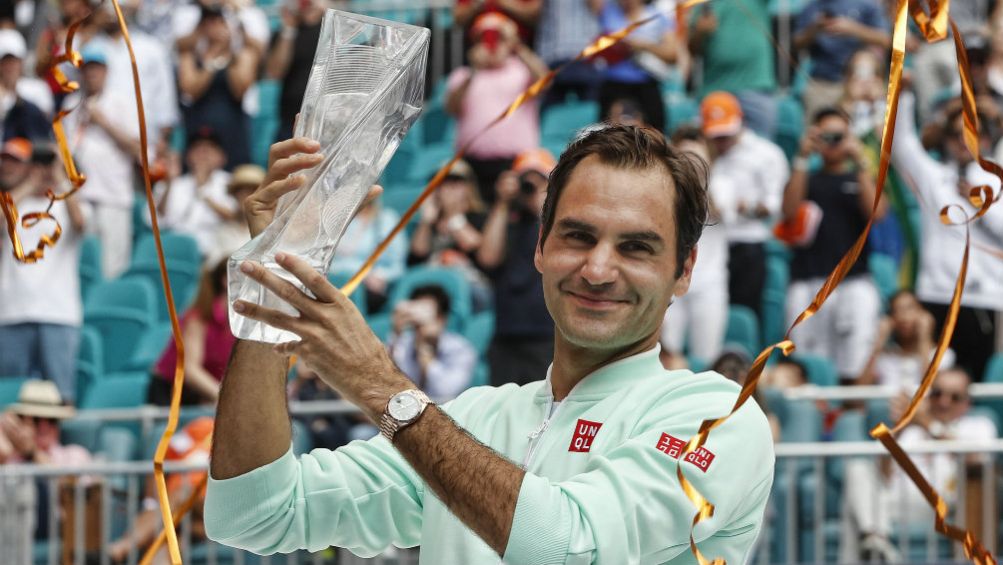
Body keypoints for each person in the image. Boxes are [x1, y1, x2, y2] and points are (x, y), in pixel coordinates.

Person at [203, 126, 775, 563]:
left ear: (683, 270)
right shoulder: (474, 418)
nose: (599, 270)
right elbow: (253, 512)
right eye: (578, 236)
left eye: (637, 248)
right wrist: (272, 279)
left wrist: (383, 388)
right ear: (541, 248)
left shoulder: (719, 417)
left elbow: (567, 548)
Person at [891, 91, 1003, 381]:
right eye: (955, 134)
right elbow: (900, 143)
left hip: (985, 299)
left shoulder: (997, 180)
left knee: (976, 383)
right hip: (936, 295)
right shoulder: (935, 177)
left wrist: (982, 206)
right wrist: (904, 93)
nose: (963, 140)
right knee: (935, 381)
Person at [839, 368, 998, 562]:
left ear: (967, 403)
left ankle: (874, 544)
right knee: (857, 468)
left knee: (855, 512)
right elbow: (883, 474)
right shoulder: (911, 429)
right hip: (892, 502)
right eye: (937, 393)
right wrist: (900, 427)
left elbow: (976, 459)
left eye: (954, 397)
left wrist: (929, 425)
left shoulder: (978, 425)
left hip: (938, 503)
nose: (943, 402)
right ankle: (876, 540)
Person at [780, 107, 885, 383]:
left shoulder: (857, 179)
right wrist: (802, 157)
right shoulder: (806, 179)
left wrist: (859, 160)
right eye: (825, 136)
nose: (832, 142)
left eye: (838, 136)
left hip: (853, 280)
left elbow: (879, 213)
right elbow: (789, 211)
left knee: (854, 361)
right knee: (808, 365)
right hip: (808, 279)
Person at [0, 143, 87, 403]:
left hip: (57, 313)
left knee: (61, 396)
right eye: (37, 163)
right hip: (12, 312)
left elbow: (80, 222)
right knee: (8, 398)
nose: (43, 169)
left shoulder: (65, 204)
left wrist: (61, 174)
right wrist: (30, 181)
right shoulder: (17, 203)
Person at [701, 91, 789, 319]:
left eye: (725, 135)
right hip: (712, 243)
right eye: (716, 136)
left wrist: (747, 207)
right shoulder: (704, 154)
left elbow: (774, 206)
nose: (722, 141)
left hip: (747, 243)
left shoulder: (766, 154)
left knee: (744, 313)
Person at [445, 12, 549, 195]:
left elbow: (545, 80)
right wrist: (474, 70)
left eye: (499, 38)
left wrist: (517, 45)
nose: (492, 45)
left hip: (515, 163)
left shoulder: (522, 70)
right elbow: (451, 108)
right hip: (473, 165)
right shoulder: (463, 75)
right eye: (484, 38)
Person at [477, 148, 556, 386]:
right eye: (525, 181)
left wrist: (543, 203)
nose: (530, 188)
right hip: (506, 336)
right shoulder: (507, 221)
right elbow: (487, 258)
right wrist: (502, 203)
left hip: (546, 336)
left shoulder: (557, 224)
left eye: (539, 181)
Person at [61, 45, 140, 279]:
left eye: (96, 68)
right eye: (87, 69)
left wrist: (103, 122)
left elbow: (137, 148)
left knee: (113, 268)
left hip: (113, 195)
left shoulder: (122, 102)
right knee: (80, 266)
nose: (91, 74)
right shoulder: (71, 104)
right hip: (81, 197)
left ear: (106, 71)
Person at [660, 127, 735, 365]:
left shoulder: (723, 183)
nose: (692, 164)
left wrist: (704, 175)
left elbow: (718, 211)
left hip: (711, 284)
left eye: (698, 159)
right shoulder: (666, 189)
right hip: (672, 279)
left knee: (708, 357)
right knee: (666, 354)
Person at [0, 380, 90, 565]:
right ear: (21, 420)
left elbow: (72, 495)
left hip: (49, 526)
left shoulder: (74, 454)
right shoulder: (7, 455)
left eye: (51, 420)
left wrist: (33, 453)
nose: (43, 426)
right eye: (35, 419)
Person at [106, 417, 215, 564]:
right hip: (181, 518)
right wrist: (150, 504)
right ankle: (126, 546)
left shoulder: (239, 439)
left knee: (184, 492)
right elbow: (159, 462)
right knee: (165, 544)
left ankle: (121, 547)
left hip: (208, 510)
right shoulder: (203, 426)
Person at [177, 2, 260, 170]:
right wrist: (212, 57)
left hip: (233, 128)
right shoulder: (189, 56)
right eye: (208, 23)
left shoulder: (243, 55)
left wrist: (227, 51)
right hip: (198, 126)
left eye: (219, 22)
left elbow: (240, 90)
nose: (213, 28)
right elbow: (191, 90)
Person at [148, 260, 235, 406]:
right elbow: (191, 370)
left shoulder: (245, 323)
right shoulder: (198, 318)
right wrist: (228, 400)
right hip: (171, 395)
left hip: (206, 395)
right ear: (226, 281)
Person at [686, 0, 778, 137]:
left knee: (761, 148)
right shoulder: (702, 5)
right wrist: (700, 32)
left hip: (755, 86)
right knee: (710, 152)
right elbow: (692, 51)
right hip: (715, 88)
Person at [408, 159, 489, 311]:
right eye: (442, 182)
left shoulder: (479, 216)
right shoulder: (431, 220)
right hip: (432, 286)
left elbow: (474, 246)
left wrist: (452, 215)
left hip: (471, 287)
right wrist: (425, 221)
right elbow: (417, 254)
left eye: (456, 181)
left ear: (469, 187)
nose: (449, 187)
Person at [794, 0, 891, 122]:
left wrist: (853, 28)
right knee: (821, 132)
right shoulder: (812, 6)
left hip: (859, 83)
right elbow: (797, 44)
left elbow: (886, 40)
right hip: (823, 83)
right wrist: (815, 28)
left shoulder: (866, 4)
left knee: (862, 133)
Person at [591, 0, 677, 133]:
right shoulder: (607, 11)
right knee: (608, 136)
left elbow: (672, 54)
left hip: (646, 85)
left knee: (652, 135)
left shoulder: (656, 17)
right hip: (614, 84)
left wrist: (643, 45)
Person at [149, 127, 236, 259]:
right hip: (176, 253)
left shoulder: (231, 183)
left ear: (222, 157)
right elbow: (154, 222)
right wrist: (169, 183)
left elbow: (235, 218)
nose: (203, 153)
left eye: (210, 149)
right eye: (197, 148)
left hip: (216, 256)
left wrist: (202, 191)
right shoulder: (173, 183)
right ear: (188, 156)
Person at [388, 285, 477, 400]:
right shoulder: (403, 342)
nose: (421, 318)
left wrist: (425, 352)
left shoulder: (462, 349)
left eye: (427, 311)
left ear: (442, 318)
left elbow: (445, 393)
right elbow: (386, 382)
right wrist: (396, 334)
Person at [859, 290, 956, 389]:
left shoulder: (944, 355)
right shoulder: (884, 357)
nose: (904, 316)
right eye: (897, 310)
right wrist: (879, 341)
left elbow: (934, 391)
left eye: (909, 308)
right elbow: (858, 394)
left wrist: (924, 338)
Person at [330, 191, 407, 313]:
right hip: (338, 281)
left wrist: (380, 275)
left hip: (370, 287)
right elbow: (330, 262)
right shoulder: (338, 218)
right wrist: (362, 275)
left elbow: (397, 266)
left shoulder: (386, 219)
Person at [265, 0, 325, 143]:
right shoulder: (284, 33)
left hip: (324, 119)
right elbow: (274, 73)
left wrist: (328, 12)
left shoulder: (331, 26)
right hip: (290, 120)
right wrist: (288, 28)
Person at [534, 0, 601, 106]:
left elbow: (598, 8)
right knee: (552, 115)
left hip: (584, 56)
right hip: (550, 55)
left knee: (588, 114)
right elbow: (534, 12)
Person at [0, 28, 54, 117]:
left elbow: (44, 121)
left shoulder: (38, 89)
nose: (9, 66)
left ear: (21, 61)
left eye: (13, 60)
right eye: (5, 62)